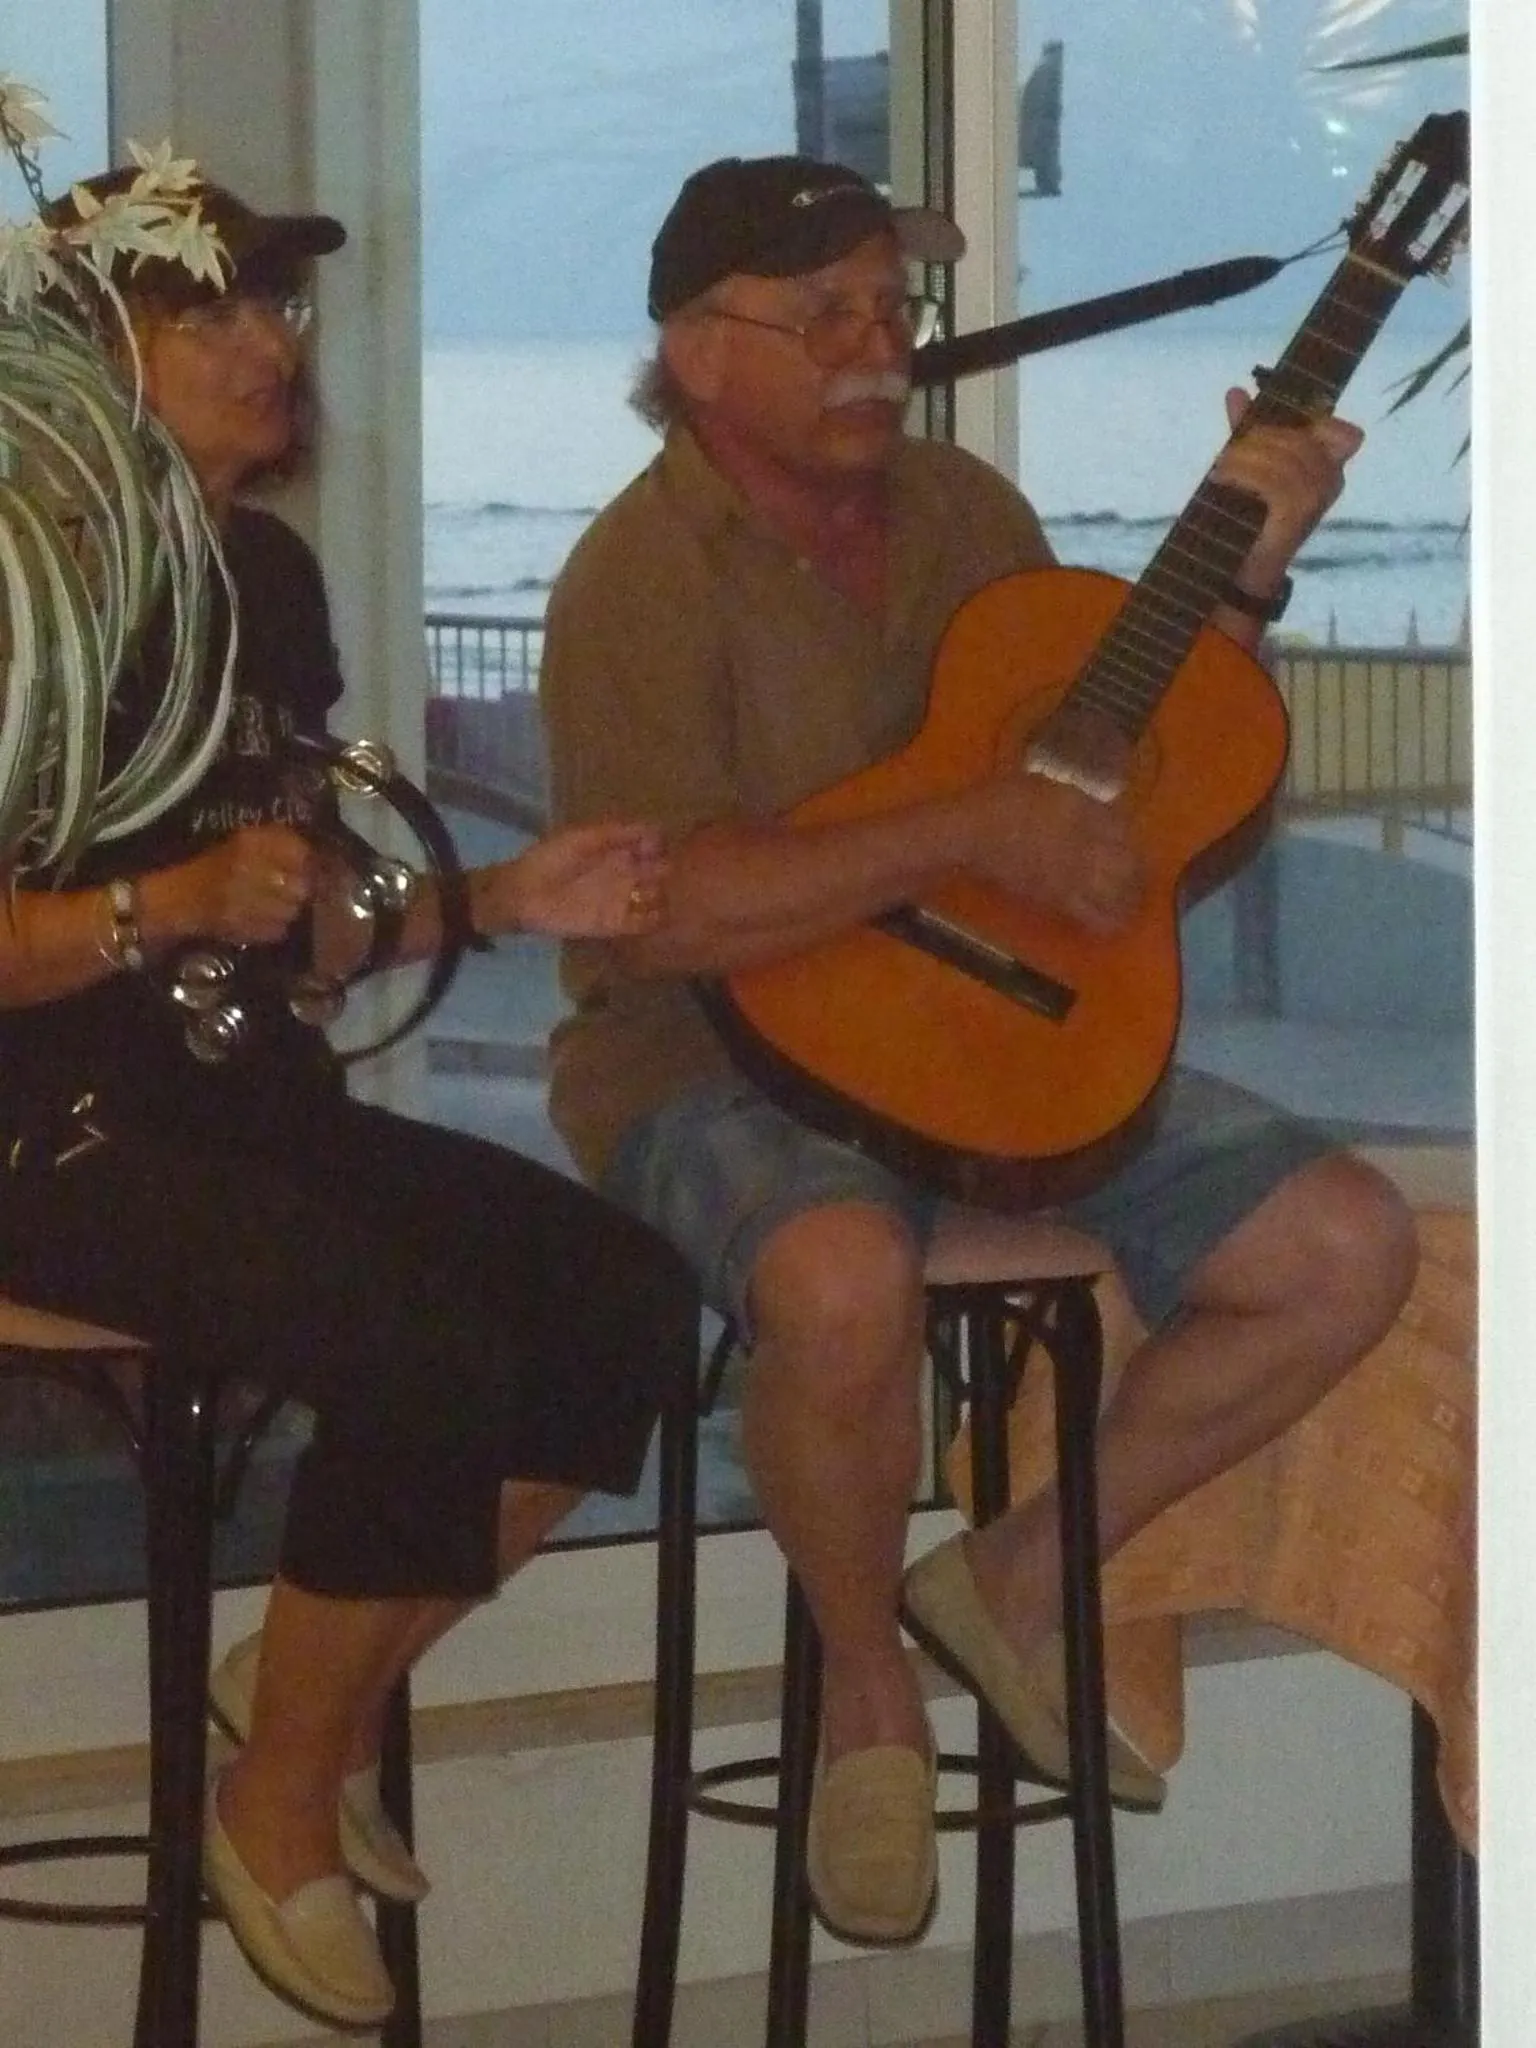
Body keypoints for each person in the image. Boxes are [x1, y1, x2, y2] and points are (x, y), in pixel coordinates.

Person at [538, 155, 1419, 1948]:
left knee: (1350, 1245)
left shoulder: (968, 510)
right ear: (699, 354)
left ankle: (1008, 1583)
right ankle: (867, 1683)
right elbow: (662, 912)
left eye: (893, 307)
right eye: (828, 315)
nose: (878, 348)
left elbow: (1121, 795)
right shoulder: (636, 576)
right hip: (700, 1056)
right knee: (844, 1273)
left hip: (1000, 1045)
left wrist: (1243, 578)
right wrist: (965, 838)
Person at [0, 170, 697, 2030]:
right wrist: (147, 905)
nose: (271, 347)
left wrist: (491, 903)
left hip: (243, 1098)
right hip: (42, 1128)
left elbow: (297, 944)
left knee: (628, 1308)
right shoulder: (17, 591)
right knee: (421, 1345)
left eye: (278, 311)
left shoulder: (265, 579)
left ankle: (309, 1691)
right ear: (83, 368)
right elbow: (135, 923)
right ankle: (283, 1793)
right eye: (214, 316)